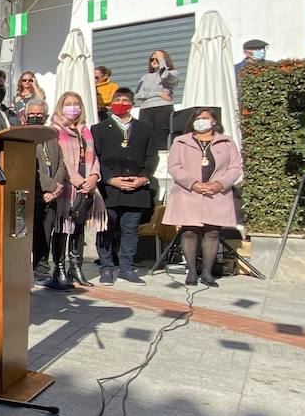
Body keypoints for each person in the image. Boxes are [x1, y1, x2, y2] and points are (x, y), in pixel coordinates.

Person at [165, 108, 243, 286]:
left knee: (213, 231)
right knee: (189, 231)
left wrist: (219, 184)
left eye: (205, 118)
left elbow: (236, 167)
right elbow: (174, 166)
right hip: (188, 193)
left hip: (216, 194)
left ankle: (207, 272)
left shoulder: (227, 142)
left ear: (214, 121)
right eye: (198, 118)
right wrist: (193, 184)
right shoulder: (180, 141)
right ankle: (192, 271)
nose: (201, 121)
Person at [91, 87, 157, 284]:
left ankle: (127, 268)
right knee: (106, 228)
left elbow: (152, 156)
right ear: (111, 103)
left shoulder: (145, 128)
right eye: (117, 99)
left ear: (132, 104)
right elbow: (96, 158)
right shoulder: (99, 128)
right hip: (109, 188)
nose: (121, 103)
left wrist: (143, 178)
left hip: (136, 187)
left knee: (130, 229)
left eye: (125, 100)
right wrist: (110, 179)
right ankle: (106, 267)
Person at [44, 91, 105, 290]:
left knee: (79, 226)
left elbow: (94, 158)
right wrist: (79, 181)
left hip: (86, 183)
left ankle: (76, 267)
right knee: (63, 227)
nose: (73, 107)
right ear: (61, 107)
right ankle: (59, 268)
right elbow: (59, 161)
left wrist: (94, 177)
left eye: (76, 103)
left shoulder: (85, 130)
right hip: (67, 185)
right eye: (68, 104)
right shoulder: (55, 130)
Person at [27, 100, 67, 282]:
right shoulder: (24, 137)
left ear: (46, 115)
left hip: (51, 196)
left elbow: (60, 164)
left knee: (46, 233)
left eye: (39, 115)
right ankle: (30, 267)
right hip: (34, 195)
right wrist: (49, 187)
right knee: (34, 235)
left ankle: (42, 268)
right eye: (32, 115)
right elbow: (34, 169)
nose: (36, 118)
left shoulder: (52, 137)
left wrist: (57, 187)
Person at [134, 49, 177, 149]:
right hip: (145, 109)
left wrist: (161, 59)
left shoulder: (173, 73)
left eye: (156, 59)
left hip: (163, 108)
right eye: (151, 59)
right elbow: (137, 95)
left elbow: (165, 75)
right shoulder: (145, 77)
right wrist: (159, 93)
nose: (154, 61)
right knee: (145, 136)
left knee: (162, 136)